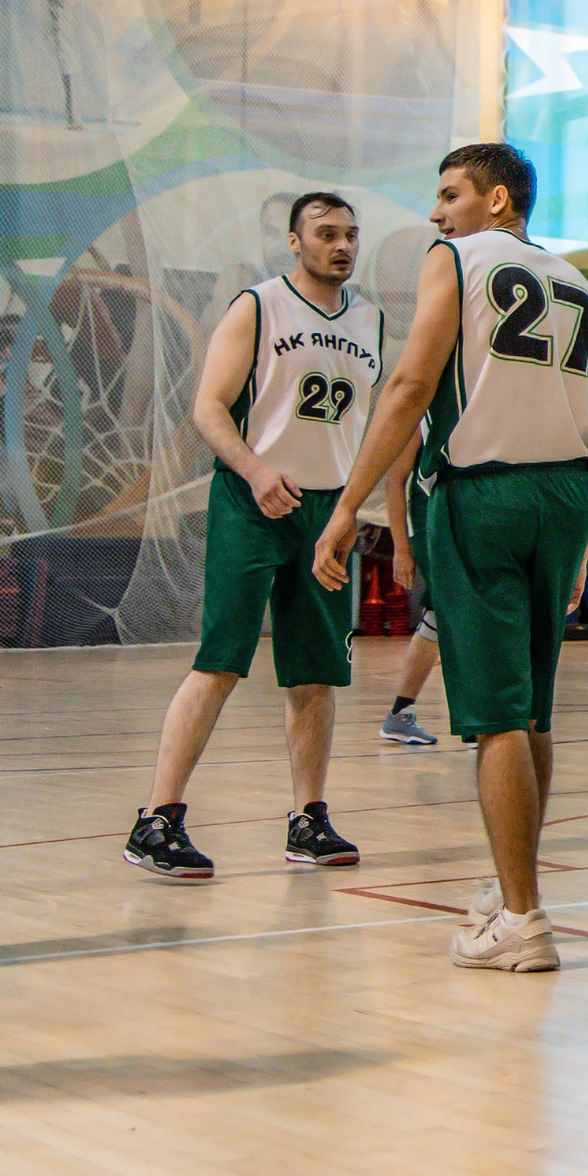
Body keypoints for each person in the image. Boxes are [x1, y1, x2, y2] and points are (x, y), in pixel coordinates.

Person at [311, 144, 588, 974]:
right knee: (534, 715)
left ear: (496, 200)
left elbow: (411, 386)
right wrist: (586, 540)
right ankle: (505, 882)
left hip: (481, 495)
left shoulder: (455, 259)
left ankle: (522, 919)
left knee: (493, 718)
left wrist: (347, 509)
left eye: (449, 194)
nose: (436, 212)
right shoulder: (585, 285)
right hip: (564, 498)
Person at [124, 194, 381, 882]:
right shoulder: (258, 306)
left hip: (325, 510)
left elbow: (370, 423)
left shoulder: (370, 320)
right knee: (222, 660)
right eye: (326, 234)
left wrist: (353, 506)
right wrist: (255, 469)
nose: (342, 246)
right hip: (252, 497)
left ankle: (309, 819)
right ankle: (157, 818)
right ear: (294, 242)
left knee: (316, 671)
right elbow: (208, 406)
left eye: (351, 235)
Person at [377, 438, 442, 746]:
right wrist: (401, 548)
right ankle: (480, 720)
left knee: (439, 618)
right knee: (455, 613)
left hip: (465, 521)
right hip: (430, 525)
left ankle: (400, 713)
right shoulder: (421, 407)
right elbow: (395, 481)